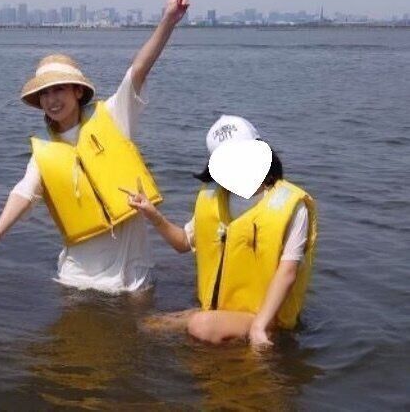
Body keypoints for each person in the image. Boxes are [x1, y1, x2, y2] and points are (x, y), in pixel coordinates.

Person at [0, 0, 190, 293]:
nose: (52, 99)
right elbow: (24, 193)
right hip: (78, 278)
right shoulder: (45, 152)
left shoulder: (115, 116)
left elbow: (138, 71)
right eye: (45, 94)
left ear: (78, 91)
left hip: (134, 274)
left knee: (138, 336)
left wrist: (168, 21)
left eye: (59, 89)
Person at [122, 115, 317, 347]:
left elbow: (288, 272)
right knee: (146, 327)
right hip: (224, 314)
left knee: (199, 325)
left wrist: (259, 325)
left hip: (268, 318)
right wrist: (152, 214)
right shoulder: (214, 199)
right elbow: (184, 242)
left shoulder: (291, 206)